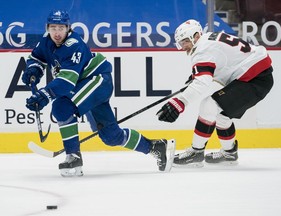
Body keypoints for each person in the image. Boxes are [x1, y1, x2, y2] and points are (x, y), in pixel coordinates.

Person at [21, 10, 175, 177]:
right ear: (47, 28)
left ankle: (73, 155)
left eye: (60, 28)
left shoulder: (74, 45)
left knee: (61, 106)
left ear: (68, 28)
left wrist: (45, 94)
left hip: (97, 81)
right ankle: (155, 147)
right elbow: (36, 58)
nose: (57, 33)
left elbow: (66, 81)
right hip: (83, 85)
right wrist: (33, 70)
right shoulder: (46, 42)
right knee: (111, 136)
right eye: (53, 28)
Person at [156, 19, 273, 167]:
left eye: (186, 41)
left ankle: (196, 152)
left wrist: (179, 103)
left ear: (197, 36)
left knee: (209, 105)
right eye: (181, 43)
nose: (184, 46)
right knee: (222, 116)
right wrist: (198, 74)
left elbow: (202, 83)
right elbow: (223, 60)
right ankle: (229, 154)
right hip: (258, 76)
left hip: (254, 79)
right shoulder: (208, 39)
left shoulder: (202, 50)